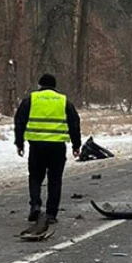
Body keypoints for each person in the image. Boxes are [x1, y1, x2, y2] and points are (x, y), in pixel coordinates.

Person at [14, 74, 81, 227]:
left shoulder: (31, 99)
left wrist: (19, 143)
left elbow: (19, 121)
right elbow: (74, 123)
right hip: (57, 147)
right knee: (55, 180)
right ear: (55, 86)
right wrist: (76, 145)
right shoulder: (63, 100)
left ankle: (35, 205)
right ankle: (51, 214)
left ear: (39, 85)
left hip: (36, 146)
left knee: (35, 177)